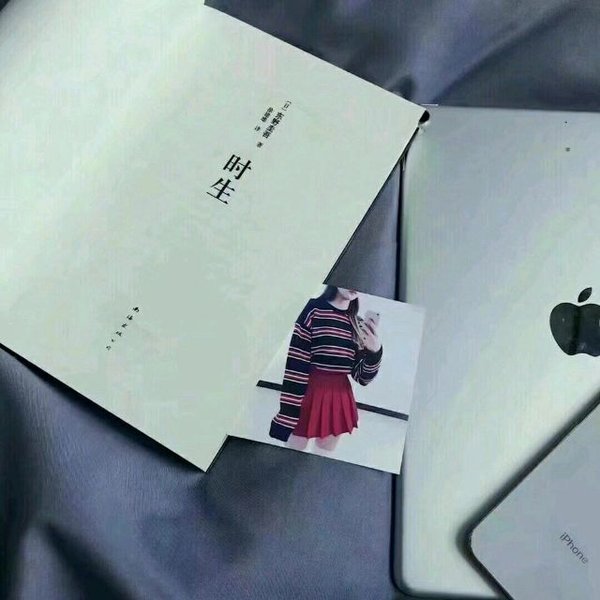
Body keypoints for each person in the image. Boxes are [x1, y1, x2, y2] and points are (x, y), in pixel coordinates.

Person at [269, 286, 383, 450]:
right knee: (293, 451)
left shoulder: (356, 323)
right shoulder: (313, 309)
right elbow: (296, 361)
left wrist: (375, 351)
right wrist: (288, 411)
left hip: (340, 396)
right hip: (306, 391)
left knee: (324, 453)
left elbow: (362, 377)